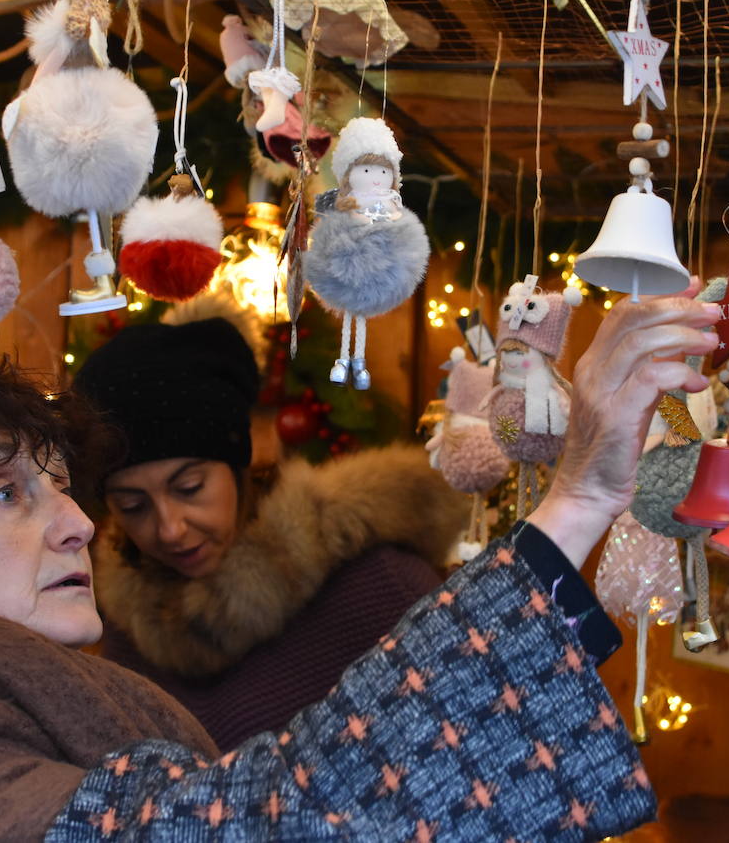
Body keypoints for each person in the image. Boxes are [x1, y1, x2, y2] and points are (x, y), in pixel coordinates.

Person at [0, 280, 720, 840]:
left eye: (64, 490)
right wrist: (578, 500)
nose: (78, 526)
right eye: (9, 493)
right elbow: (264, 826)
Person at [70, 309, 467, 748]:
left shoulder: (379, 584)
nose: (170, 530)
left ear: (239, 466)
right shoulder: (130, 621)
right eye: (133, 506)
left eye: (189, 488)